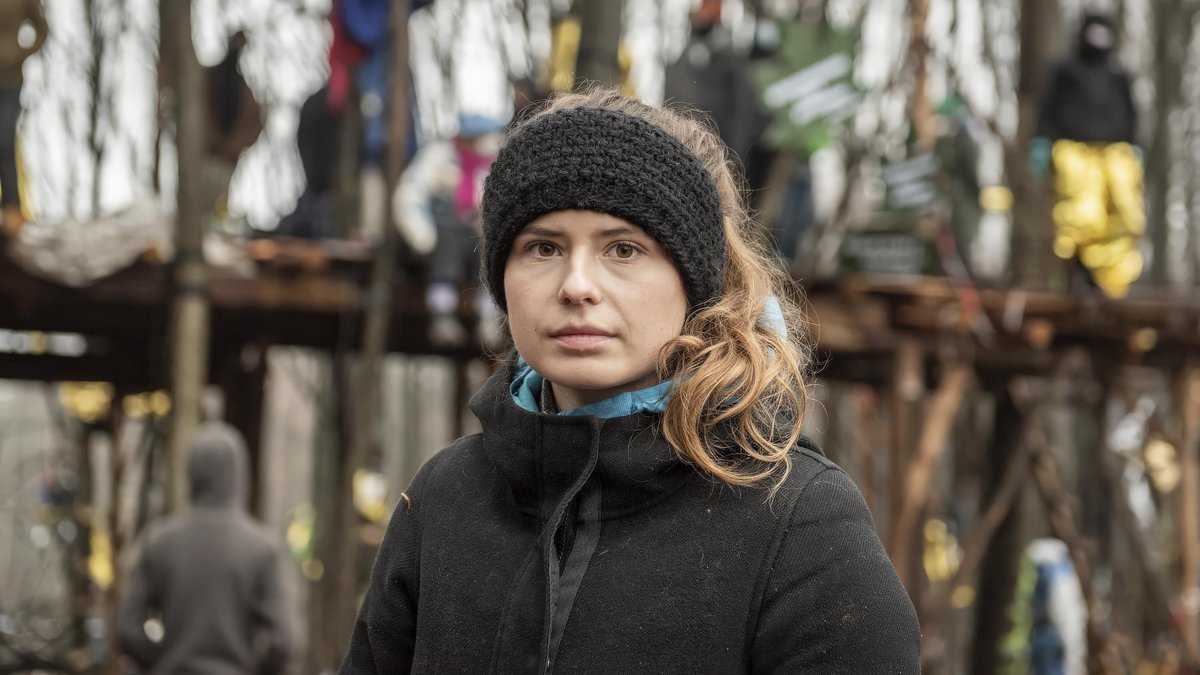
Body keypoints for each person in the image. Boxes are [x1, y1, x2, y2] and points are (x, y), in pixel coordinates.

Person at [342, 87, 920, 673]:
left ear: (695, 279)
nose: (576, 286)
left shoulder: (798, 521)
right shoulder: (445, 501)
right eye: (542, 247)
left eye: (623, 249)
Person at [117, 422, 292, 674]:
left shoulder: (159, 541)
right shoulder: (261, 549)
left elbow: (128, 629)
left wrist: (163, 659)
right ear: (239, 474)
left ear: (190, 473)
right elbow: (282, 643)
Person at [1033, 12, 1143, 297]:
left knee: (1121, 218)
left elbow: (1131, 114)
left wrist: (1135, 145)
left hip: (1116, 155)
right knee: (1079, 220)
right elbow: (1047, 109)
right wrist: (1042, 142)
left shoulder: (1118, 74)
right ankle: (1076, 277)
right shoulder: (1065, 70)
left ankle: (1113, 286)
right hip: (1075, 152)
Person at [392, 114, 505, 348]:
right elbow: (409, 196)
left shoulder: (496, 160)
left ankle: (489, 321)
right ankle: (442, 318)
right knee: (446, 261)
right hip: (443, 236)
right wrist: (422, 234)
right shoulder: (437, 157)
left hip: (480, 236)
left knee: (489, 267)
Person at [202, 30, 263, 225]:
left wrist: (234, 145)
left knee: (218, 211)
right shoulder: (209, 78)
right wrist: (211, 139)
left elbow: (255, 123)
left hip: (226, 159)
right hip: (206, 156)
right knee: (201, 206)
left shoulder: (243, 88)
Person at [0, 0, 48, 238]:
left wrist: (18, 53)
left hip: (10, 80)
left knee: (4, 141)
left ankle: (12, 210)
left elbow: (42, 29)